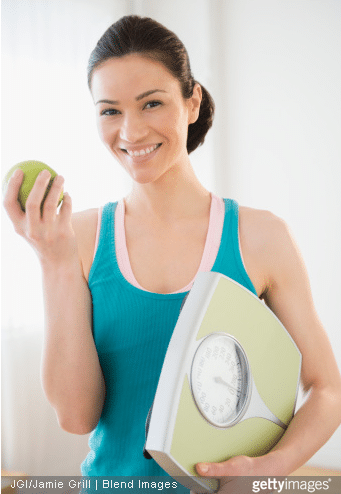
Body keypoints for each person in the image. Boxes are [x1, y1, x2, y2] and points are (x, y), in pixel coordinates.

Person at [3, 14, 341, 492]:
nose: (131, 131)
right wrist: (53, 262)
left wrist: (272, 467)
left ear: (192, 101)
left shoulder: (260, 238)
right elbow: (77, 417)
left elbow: (327, 389)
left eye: (152, 103)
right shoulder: (75, 239)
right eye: (110, 111)